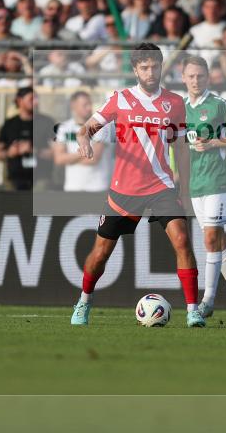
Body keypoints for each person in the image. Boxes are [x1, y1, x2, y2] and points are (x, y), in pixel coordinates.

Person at [70, 43, 205, 328]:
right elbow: (86, 129)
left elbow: (181, 147)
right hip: (124, 190)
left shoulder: (175, 103)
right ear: (135, 70)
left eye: (155, 66)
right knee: (101, 253)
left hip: (161, 186)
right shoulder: (120, 99)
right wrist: (84, 140)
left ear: (161, 67)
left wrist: (185, 188)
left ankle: (193, 310)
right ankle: (84, 300)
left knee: (182, 240)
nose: (150, 72)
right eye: (144, 67)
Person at [181, 55, 226, 320]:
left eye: (200, 76)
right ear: (183, 78)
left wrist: (215, 142)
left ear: (208, 77)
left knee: (210, 239)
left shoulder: (219, 105)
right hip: (196, 183)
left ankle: (207, 301)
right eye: (191, 76)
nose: (196, 80)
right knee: (218, 241)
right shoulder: (180, 108)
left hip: (218, 180)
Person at [53, 90, 114, 192]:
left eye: (90, 104)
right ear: (73, 106)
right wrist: (86, 152)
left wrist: (69, 158)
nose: (89, 108)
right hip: (72, 188)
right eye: (85, 105)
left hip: (97, 187)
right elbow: (59, 159)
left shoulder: (102, 126)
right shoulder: (64, 128)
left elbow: (94, 159)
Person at [0, 87, 54, 191]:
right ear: (19, 101)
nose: (36, 102)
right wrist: (10, 152)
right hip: (14, 180)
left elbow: (56, 153)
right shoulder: (9, 124)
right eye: (31, 99)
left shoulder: (47, 122)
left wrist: (35, 150)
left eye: (37, 99)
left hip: (40, 179)